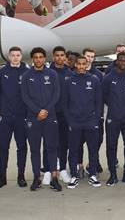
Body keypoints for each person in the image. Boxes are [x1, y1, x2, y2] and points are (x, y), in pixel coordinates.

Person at [21, 47, 62, 192]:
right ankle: (36, 178)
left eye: (41, 57)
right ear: (32, 59)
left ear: (44, 58)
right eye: (35, 57)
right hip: (33, 118)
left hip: (50, 117)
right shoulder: (26, 75)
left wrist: (45, 110)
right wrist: (37, 111)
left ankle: (54, 179)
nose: (38, 59)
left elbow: (56, 94)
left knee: (51, 148)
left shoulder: (52, 74)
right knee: (35, 150)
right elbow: (25, 96)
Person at [63, 56, 103, 188]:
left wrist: (96, 119)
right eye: (78, 64)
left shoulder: (94, 80)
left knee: (92, 150)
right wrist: (69, 120)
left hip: (90, 122)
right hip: (74, 122)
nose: (81, 66)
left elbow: (99, 102)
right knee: (73, 150)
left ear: (87, 65)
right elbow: (65, 103)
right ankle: (74, 175)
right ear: (75, 65)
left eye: (83, 64)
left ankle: (92, 174)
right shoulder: (69, 81)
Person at [0, 47, 30, 189]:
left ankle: (20, 176)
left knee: (22, 147)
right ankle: (2, 177)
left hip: (21, 117)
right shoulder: (2, 72)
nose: (15, 57)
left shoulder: (27, 73)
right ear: (9, 57)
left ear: (21, 56)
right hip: (5, 117)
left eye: (18, 55)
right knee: (3, 148)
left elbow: (30, 95)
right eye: (13, 55)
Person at [102, 52, 125, 186]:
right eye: (121, 60)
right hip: (113, 118)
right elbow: (104, 96)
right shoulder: (108, 78)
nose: (123, 63)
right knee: (111, 146)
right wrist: (114, 106)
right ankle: (112, 175)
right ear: (116, 62)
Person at [48, 46, 74, 184]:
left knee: (64, 143)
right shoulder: (47, 72)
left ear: (65, 57)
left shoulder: (69, 73)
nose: (59, 57)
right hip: (50, 113)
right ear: (53, 57)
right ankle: (48, 170)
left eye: (62, 55)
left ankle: (63, 169)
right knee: (49, 143)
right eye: (57, 55)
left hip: (65, 114)